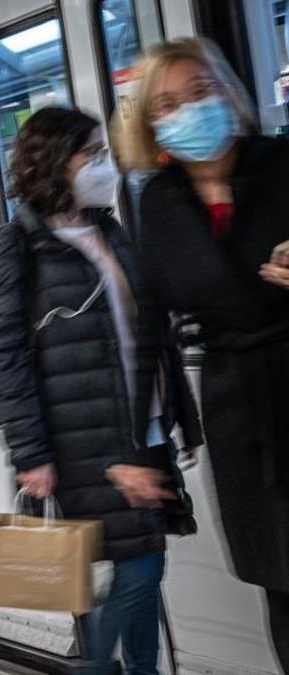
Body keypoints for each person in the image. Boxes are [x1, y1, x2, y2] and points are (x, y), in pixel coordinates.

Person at [0, 107, 203, 674]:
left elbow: (150, 330)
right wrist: (31, 453)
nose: (104, 164)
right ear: (53, 163)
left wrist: (181, 419)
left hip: (140, 429)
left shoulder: (110, 230)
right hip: (79, 441)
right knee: (133, 569)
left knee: (145, 563)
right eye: (90, 154)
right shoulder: (16, 248)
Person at [116, 38, 289, 671]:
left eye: (200, 92)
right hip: (238, 407)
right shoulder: (154, 202)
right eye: (168, 103)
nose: (189, 110)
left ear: (226, 93)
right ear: (150, 122)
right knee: (279, 578)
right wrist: (139, 448)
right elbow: (146, 329)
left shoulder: (279, 163)